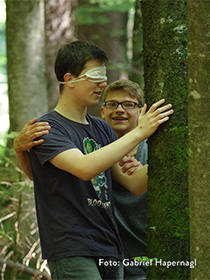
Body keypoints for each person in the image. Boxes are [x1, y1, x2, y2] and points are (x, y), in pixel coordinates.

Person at [13, 40, 173, 280]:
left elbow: (135, 184)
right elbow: (84, 168)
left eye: (104, 75)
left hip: (110, 246)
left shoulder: (102, 129)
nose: (103, 83)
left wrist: (177, 153)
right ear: (69, 79)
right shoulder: (47, 129)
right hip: (73, 248)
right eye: (95, 75)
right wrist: (141, 131)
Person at [101, 80, 148, 280]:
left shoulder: (155, 148)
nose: (119, 110)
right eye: (113, 104)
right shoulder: (95, 150)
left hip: (151, 257)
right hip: (108, 263)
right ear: (103, 111)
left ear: (141, 111)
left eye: (129, 105)